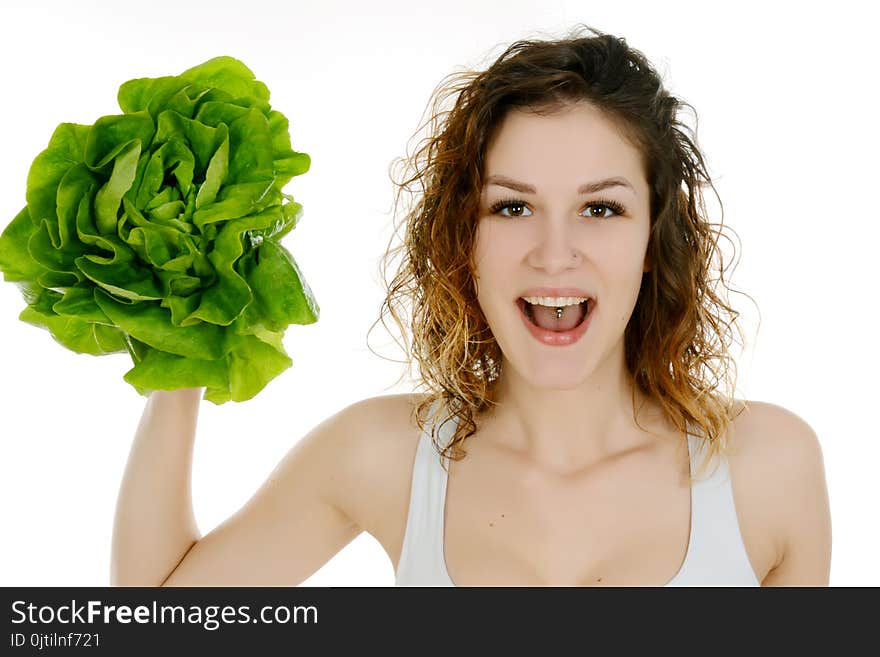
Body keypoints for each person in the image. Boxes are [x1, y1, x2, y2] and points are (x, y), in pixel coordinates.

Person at [110, 25, 832, 587]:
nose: (554, 254)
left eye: (601, 209)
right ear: (466, 237)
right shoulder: (383, 456)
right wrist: (179, 330)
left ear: (653, 238)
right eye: (513, 206)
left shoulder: (769, 469)